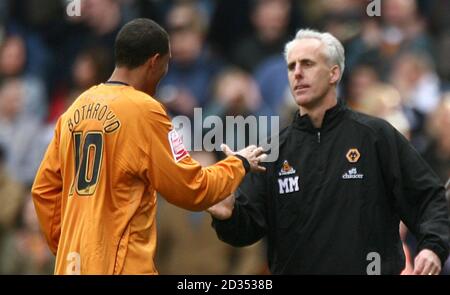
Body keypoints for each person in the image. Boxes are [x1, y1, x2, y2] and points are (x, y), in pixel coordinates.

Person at [31, 18, 266, 275]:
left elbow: (44, 191)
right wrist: (238, 164)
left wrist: (69, 248)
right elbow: (190, 186)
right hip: (122, 266)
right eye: (166, 64)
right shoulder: (145, 110)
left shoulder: (74, 109)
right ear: (154, 62)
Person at [208, 29, 450, 275]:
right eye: (291, 67)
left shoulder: (376, 137)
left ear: (334, 73)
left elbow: (428, 197)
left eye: (307, 64)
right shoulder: (273, 151)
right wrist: (228, 214)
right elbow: (247, 230)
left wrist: (433, 247)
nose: (297, 73)